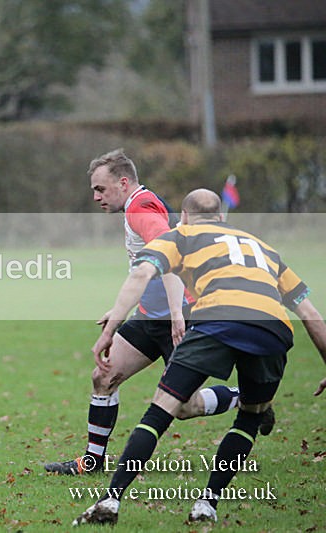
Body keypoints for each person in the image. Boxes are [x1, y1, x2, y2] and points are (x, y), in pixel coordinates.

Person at [73, 189, 326, 525]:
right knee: (251, 419)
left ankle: (111, 501)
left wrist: (110, 329)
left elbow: (140, 274)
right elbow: (310, 315)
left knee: (161, 411)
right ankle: (207, 503)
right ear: (221, 217)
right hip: (272, 330)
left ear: (186, 216)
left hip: (216, 322)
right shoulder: (264, 248)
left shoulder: (182, 235)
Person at [45, 149, 255, 475]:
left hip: (181, 318)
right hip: (149, 317)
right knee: (104, 376)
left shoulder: (140, 209)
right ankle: (93, 461)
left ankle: (248, 397)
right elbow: (149, 268)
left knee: (184, 406)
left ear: (123, 182)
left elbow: (166, 254)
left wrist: (175, 314)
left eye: (101, 189)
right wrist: (121, 308)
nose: (96, 196)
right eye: (93, 190)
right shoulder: (139, 204)